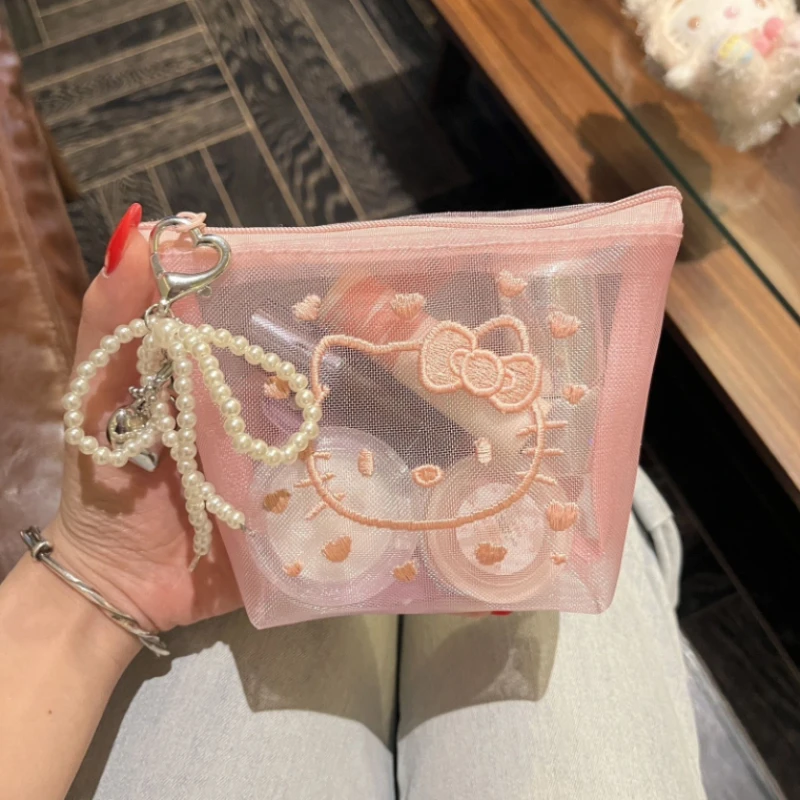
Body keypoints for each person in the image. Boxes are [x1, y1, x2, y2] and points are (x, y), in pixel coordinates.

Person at [0, 216, 707, 799]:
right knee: (576, 537)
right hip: (346, 488)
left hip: (367, 493)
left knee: (417, 554)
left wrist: (98, 579)